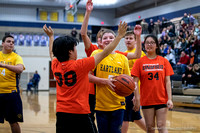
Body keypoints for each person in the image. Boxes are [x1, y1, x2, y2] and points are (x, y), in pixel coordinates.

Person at [43, 19, 127, 133]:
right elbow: (105, 52)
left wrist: (51, 37)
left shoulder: (55, 65)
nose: (76, 50)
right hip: (80, 112)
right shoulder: (80, 65)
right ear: (70, 52)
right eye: (75, 47)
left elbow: (51, 53)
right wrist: (119, 36)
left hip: (61, 113)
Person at [88, 25, 142, 133]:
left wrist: (135, 93)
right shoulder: (96, 54)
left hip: (119, 105)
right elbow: (88, 76)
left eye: (111, 38)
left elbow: (129, 80)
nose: (108, 40)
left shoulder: (122, 58)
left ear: (116, 40)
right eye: (105, 38)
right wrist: (104, 81)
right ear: (101, 41)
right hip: (101, 105)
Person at [132, 34, 174, 133]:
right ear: (144, 45)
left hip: (161, 99)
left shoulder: (164, 61)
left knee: (161, 125)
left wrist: (170, 99)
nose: (149, 45)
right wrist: (137, 99)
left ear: (156, 46)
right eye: (147, 43)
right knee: (150, 127)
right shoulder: (139, 62)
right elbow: (135, 82)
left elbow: (167, 81)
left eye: (152, 42)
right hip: (147, 99)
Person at [121, 31, 146, 133]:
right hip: (127, 87)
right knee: (136, 117)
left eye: (131, 38)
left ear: (136, 41)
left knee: (125, 116)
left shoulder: (140, 54)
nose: (128, 40)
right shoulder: (125, 54)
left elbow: (141, 75)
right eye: (126, 38)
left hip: (134, 89)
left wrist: (138, 94)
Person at [0, 34, 25, 133]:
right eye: (9, 41)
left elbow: (19, 69)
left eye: (13, 42)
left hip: (11, 94)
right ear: (2, 43)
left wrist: (3, 65)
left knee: (13, 122)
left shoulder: (16, 57)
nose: (11, 44)